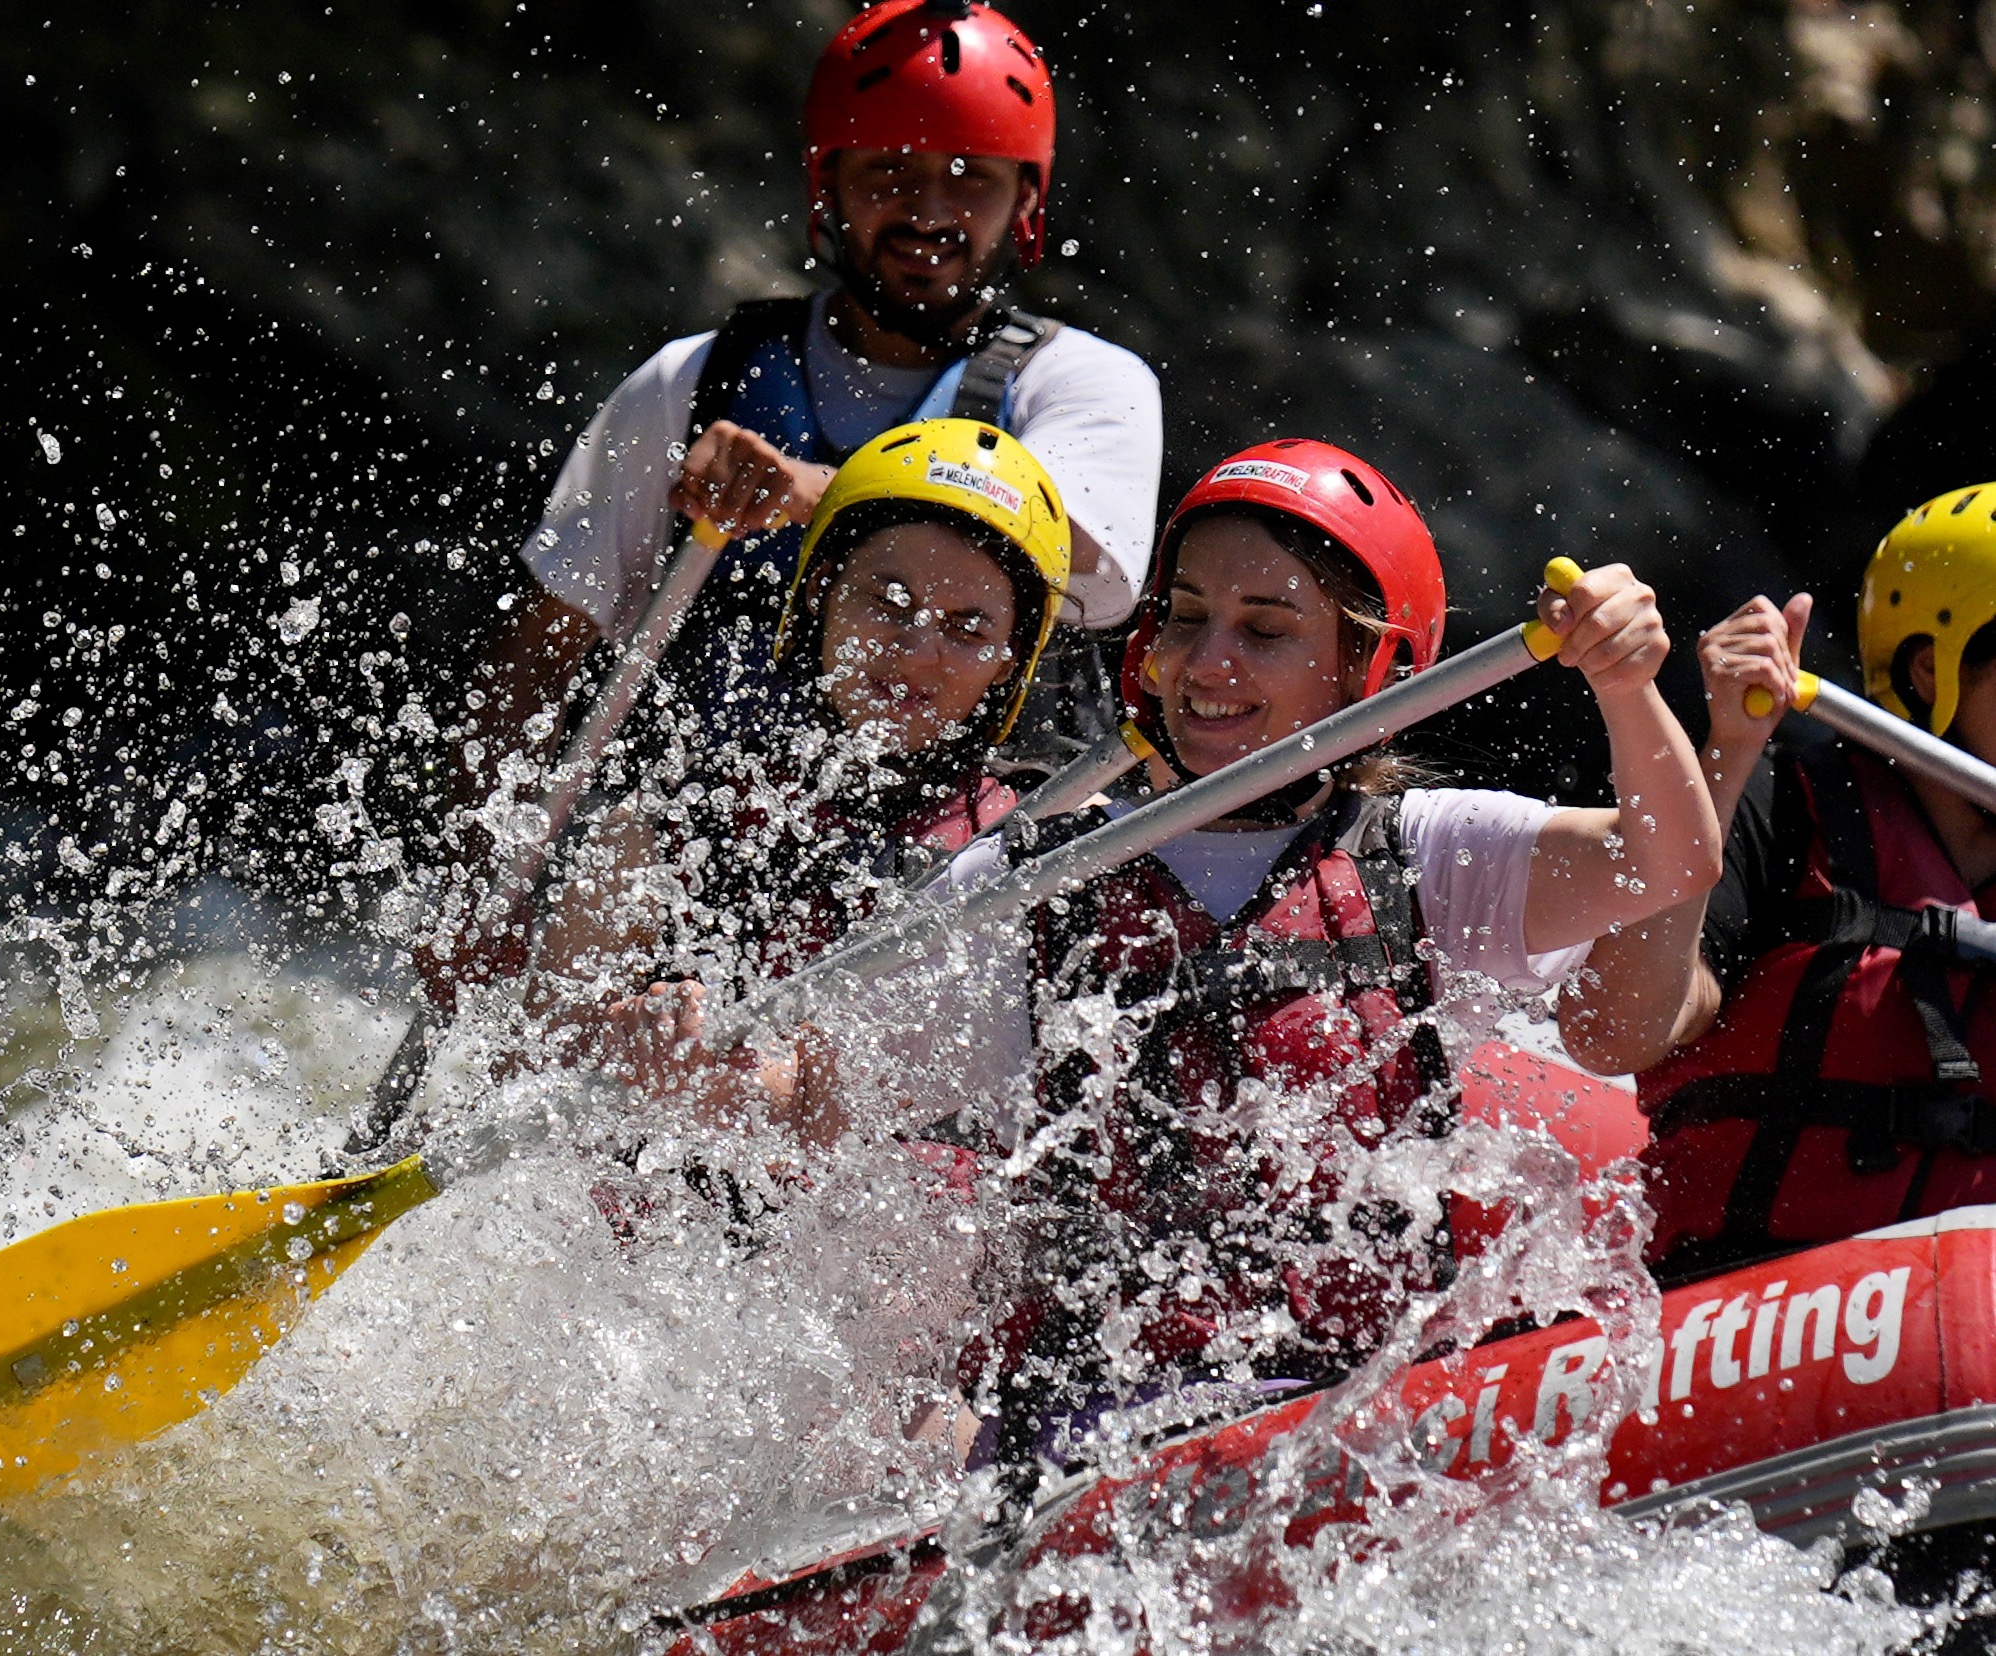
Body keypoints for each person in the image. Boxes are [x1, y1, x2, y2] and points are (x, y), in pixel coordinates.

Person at [608, 440, 1724, 1414]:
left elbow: (1670, 857)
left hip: (1360, 1411)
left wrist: (1625, 686)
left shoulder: (1430, 853)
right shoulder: (1027, 880)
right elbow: (828, 1101)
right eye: (1188, 619)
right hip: (1099, 1422)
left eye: (1266, 631)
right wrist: (700, 1075)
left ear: (1365, 673)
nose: (1209, 662)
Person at [476, 0, 1161, 782]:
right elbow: (533, 663)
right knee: (625, 838)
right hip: (705, 840)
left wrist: (811, 493)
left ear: (1026, 204)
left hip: (960, 859)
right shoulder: (692, 380)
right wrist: (478, 879)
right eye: (890, 170)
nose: (930, 212)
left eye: (971, 178)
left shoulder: (1087, 384)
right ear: (826, 185)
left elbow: (1098, 579)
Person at [524, 417, 1070, 1141]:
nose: (915, 651)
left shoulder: (1044, 848)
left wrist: (741, 1096)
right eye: (888, 600)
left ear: (1009, 664)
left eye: (967, 629)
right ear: (819, 593)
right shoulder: (673, 818)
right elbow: (530, 1068)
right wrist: (623, 1051)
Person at [1566, 485, 1996, 1276]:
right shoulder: (1789, 809)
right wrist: (1728, 748)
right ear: (1934, 671)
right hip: (1744, 1313)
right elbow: (1613, 1032)